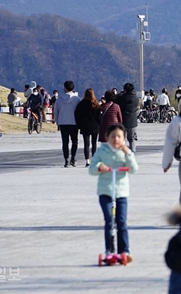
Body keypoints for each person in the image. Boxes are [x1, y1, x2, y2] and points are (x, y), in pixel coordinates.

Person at [89, 124, 138, 264]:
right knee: (109, 221)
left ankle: (125, 250)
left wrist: (127, 152)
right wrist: (100, 167)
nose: (116, 139)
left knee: (121, 222)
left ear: (123, 138)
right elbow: (91, 169)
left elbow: (134, 169)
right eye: (113, 136)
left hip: (121, 193)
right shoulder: (102, 151)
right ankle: (109, 250)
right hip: (105, 192)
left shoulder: (126, 152)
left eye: (119, 136)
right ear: (107, 138)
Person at [54, 80, 80, 168]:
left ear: (65, 88)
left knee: (65, 142)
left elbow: (56, 112)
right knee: (74, 141)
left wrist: (58, 122)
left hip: (63, 123)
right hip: (74, 123)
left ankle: (66, 160)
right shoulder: (76, 99)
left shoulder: (59, 99)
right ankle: (73, 157)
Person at [75, 88, 101, 168]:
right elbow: (99, 117)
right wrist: (100, 125)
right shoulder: (96, 104)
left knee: (86, 144)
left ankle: (87, 160)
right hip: (94, 126)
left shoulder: (81, 104)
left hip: (85, 125)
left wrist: (79, 125)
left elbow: (77, 115)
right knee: (94, 143)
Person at [115, 83, 139, 151]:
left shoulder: (121, 98)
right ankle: (132, 153)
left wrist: (119, 94)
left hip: (123, 120)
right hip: (133, 121)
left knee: (122, 139)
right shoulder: (135, 98)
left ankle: (123, 153)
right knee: (132, 139)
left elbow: (115, 102)